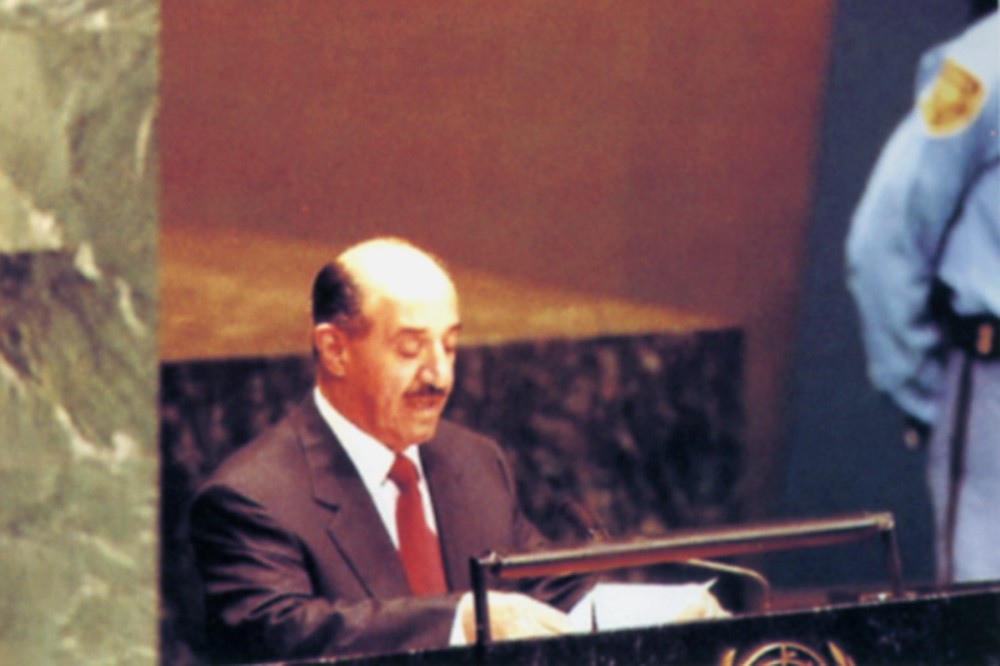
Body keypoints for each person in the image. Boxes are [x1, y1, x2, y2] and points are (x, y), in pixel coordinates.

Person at [190, 237, 724, 662]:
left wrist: (663, 611)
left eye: (449, 344)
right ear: (334, 350)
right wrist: (462, 621)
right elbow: (282, 636)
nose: (440, 375)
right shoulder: (251, 497)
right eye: (410, 348)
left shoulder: (472, 461)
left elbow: (543, 592)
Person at [846, 11, 998, 584]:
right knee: (988, 619)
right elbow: (885, 240)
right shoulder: (986, 67)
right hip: (992, 394)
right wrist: (923, 393)